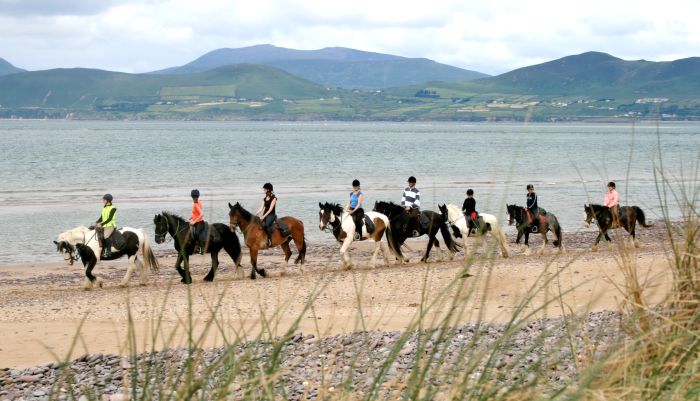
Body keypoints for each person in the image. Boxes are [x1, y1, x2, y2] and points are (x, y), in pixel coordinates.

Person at [255, 183, 286, 247]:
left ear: (268, 189)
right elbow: (261, 208)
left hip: (271, 215)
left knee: (266, 225)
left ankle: (269, 240)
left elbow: (270, 209)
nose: (263, 190)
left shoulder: (273, 198)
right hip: (265, 215)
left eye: (264, 189)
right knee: (258, 225)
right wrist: (255, 214)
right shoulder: (265, 198)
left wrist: (263, 216)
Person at [95, 193, 116, 259]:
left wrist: (101, 224)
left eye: (104, 200)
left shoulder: (113, 208)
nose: (102, 201)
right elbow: (102, 217)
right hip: (104, 225)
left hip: (110, 226)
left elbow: (110, 218)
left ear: (108, 200)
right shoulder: (104, 207)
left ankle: (109, 251)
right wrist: (97, 222)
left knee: (106, 236)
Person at [188, 189, 206, 254]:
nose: (194, 198)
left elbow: (201, 214)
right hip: (196, 222)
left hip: (200, 222)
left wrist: (194, 221)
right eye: (193, 197)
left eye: (195, 197)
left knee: (197, 234)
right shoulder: (197, 202)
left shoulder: (196, 204)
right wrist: (189, 219)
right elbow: (195, 214)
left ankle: (202, 248)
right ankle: (194, 248)